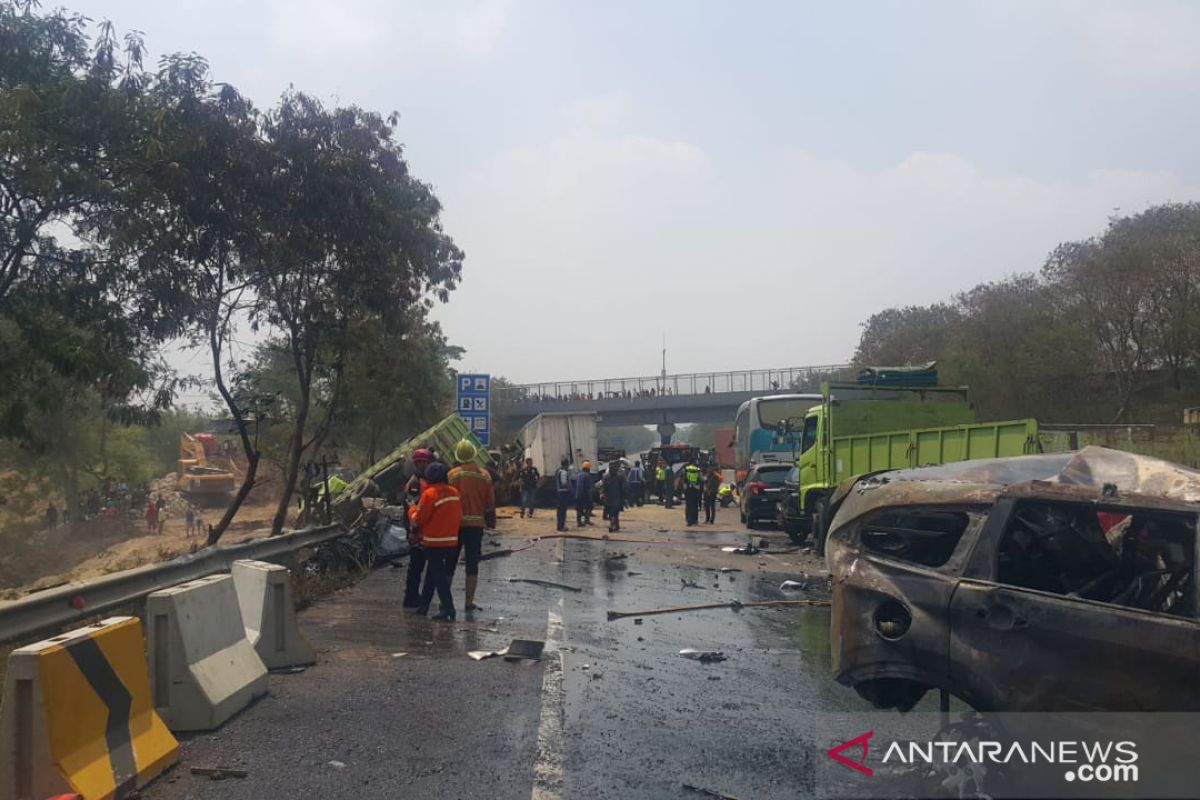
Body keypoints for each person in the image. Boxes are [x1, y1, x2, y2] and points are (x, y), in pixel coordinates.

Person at [407, 462, 462, 621]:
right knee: (432, 573)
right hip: (451, 540)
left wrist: (411, 508)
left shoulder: (429, 494)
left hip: (433, 541)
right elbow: (459, 514)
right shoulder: (454, 492)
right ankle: (424, 605)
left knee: (437, 575)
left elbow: (419, 519)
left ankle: (448, 607)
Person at [448, 439, 495, 613]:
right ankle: (469, 602)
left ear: (458, 456)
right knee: (472, 564)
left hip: (455, 525)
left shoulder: (452, 475)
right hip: (476, 526)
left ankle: (446, 599)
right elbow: (490, 504)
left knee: (450, 562)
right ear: (474, 455)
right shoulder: (485, 475)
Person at [403, 448, 434, 608]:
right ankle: (411, 598)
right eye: (422, 463)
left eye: (427, 462)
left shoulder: (426, 481)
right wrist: (414, 532)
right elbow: (413, 509)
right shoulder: (415, 483)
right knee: (416, 567)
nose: (425, 466)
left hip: (424, 530)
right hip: (417, 530)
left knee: (420, 566)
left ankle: (415, 596)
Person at [602, 460, 626, 533]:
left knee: (614, 513)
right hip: (613, 498)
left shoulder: (608, 476)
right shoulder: (618, 476)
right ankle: (613, 525)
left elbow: (623, 488)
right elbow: (624, 488)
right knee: (614, 513)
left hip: (613, 498)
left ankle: (615, 525)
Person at [574, 461, 595, 527]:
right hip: (585, 494)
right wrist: (590, 496)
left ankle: (579, 522)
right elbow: (587, 487)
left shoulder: (578, 474)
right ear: (588, 469)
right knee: (588, 507)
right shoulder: (587, 475)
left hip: (578, 494)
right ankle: (587, 520)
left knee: (579, 509)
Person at [554, 457, 572, 532]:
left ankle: (559, 525)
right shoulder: (564, 472)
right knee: (563, 510)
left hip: (559, 492)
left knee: (559, 510)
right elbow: (564, 483)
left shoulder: (558, 471)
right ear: (566, 464)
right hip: (564, 492)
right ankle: (561, 526)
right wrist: (570, 488)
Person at [682, 460, 702, 526]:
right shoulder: (698, 469)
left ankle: (689, 520)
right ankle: (695, 520)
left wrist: (684, 489)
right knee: (695, 505)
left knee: (688, 505)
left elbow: (684, 479)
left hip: (688, 488)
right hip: (695, 489)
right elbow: (701, 478)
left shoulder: (686, 469)